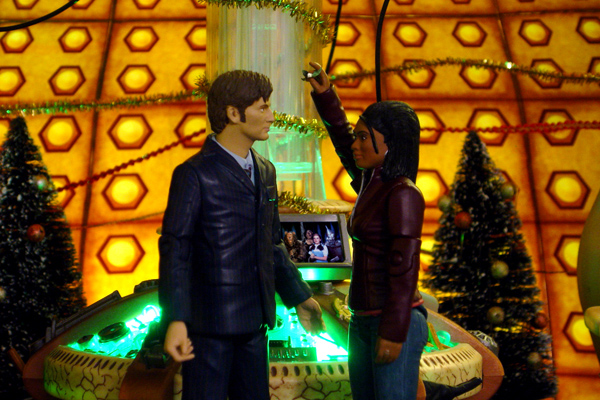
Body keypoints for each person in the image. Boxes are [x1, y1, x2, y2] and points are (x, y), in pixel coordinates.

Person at [305, 62, 480, 400]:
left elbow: (404, 269)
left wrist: (394, 330)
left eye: (364, 137)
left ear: (390, 145)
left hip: (391, 320)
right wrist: (326, 95)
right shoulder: (371, 182)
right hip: (363, 320)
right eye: (358, 136)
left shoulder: (402, 194)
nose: (356, 144)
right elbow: (342, 139)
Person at [159, 69, 325, 400]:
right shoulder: (194, 174)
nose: (271, 116)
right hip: (209, 326)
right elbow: (176, 249)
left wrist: (298, 295)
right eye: (262, 107)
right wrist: (176, 319)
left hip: (255, 323)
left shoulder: (265, 170)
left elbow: (272, 242)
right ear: (233, 114)